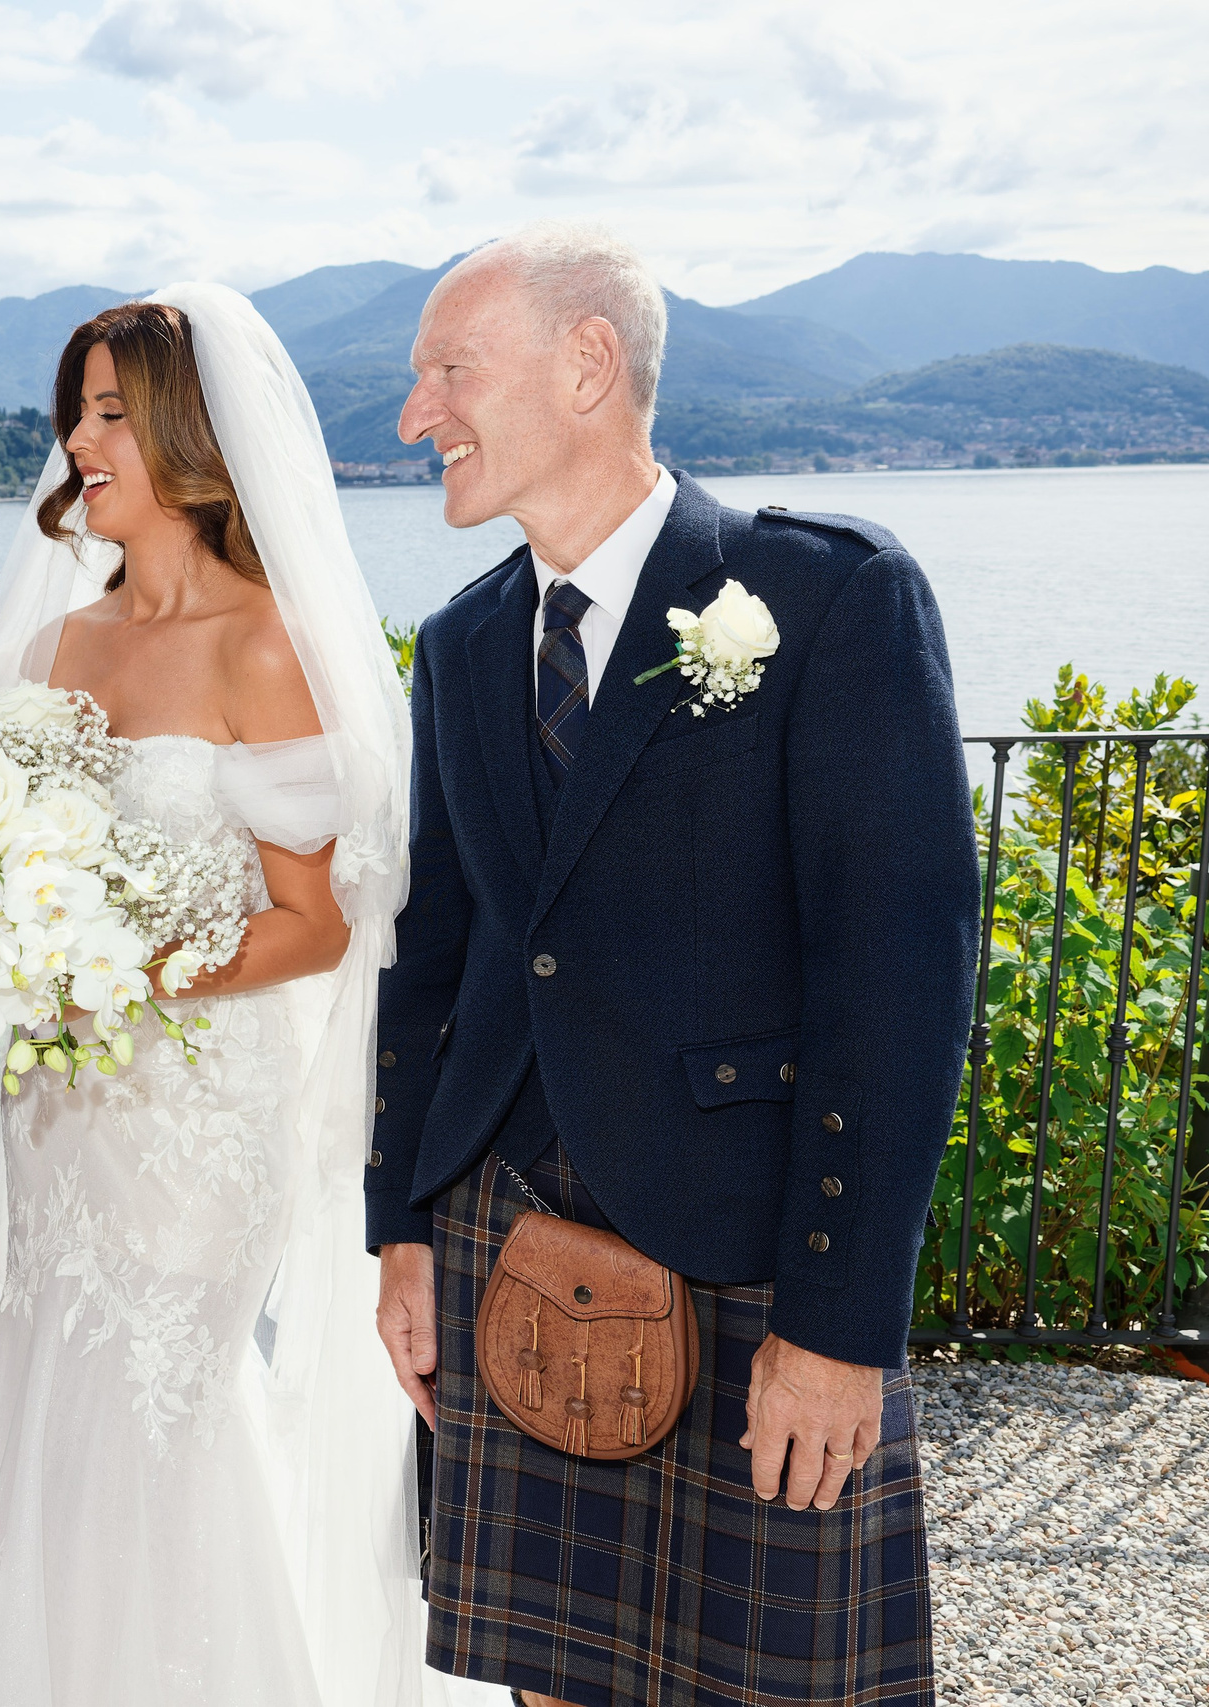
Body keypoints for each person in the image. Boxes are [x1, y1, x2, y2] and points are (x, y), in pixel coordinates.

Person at [0, 289, 510, 1707]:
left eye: (111, 413)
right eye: (76, 412)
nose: (78, 442)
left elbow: (315, 925)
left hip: (198, 1111)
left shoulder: (262, 642)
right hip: (58, 1108)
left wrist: (130, 974)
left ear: (190, 437)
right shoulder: (52, 646)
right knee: (42, 1407)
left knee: (155, 1412)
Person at [369, 222, 975, 1707]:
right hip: (506, 1236)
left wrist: (839, 1332)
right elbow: (431, 965)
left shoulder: (828, 597)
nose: (411, 414)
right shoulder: (459, 644)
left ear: (587, 364)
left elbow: (898, 979)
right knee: (549, 1681)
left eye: (448, 369)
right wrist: (397, 1229)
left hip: (754, 1259)